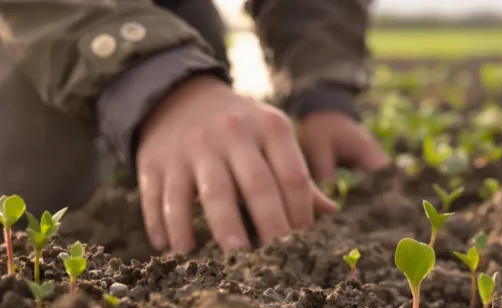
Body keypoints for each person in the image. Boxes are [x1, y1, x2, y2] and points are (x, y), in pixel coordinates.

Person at [0, 0, 390, 254]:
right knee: (32, 215)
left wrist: (322, 90)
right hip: (30, 26)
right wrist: (158, 81)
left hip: (177, 20)